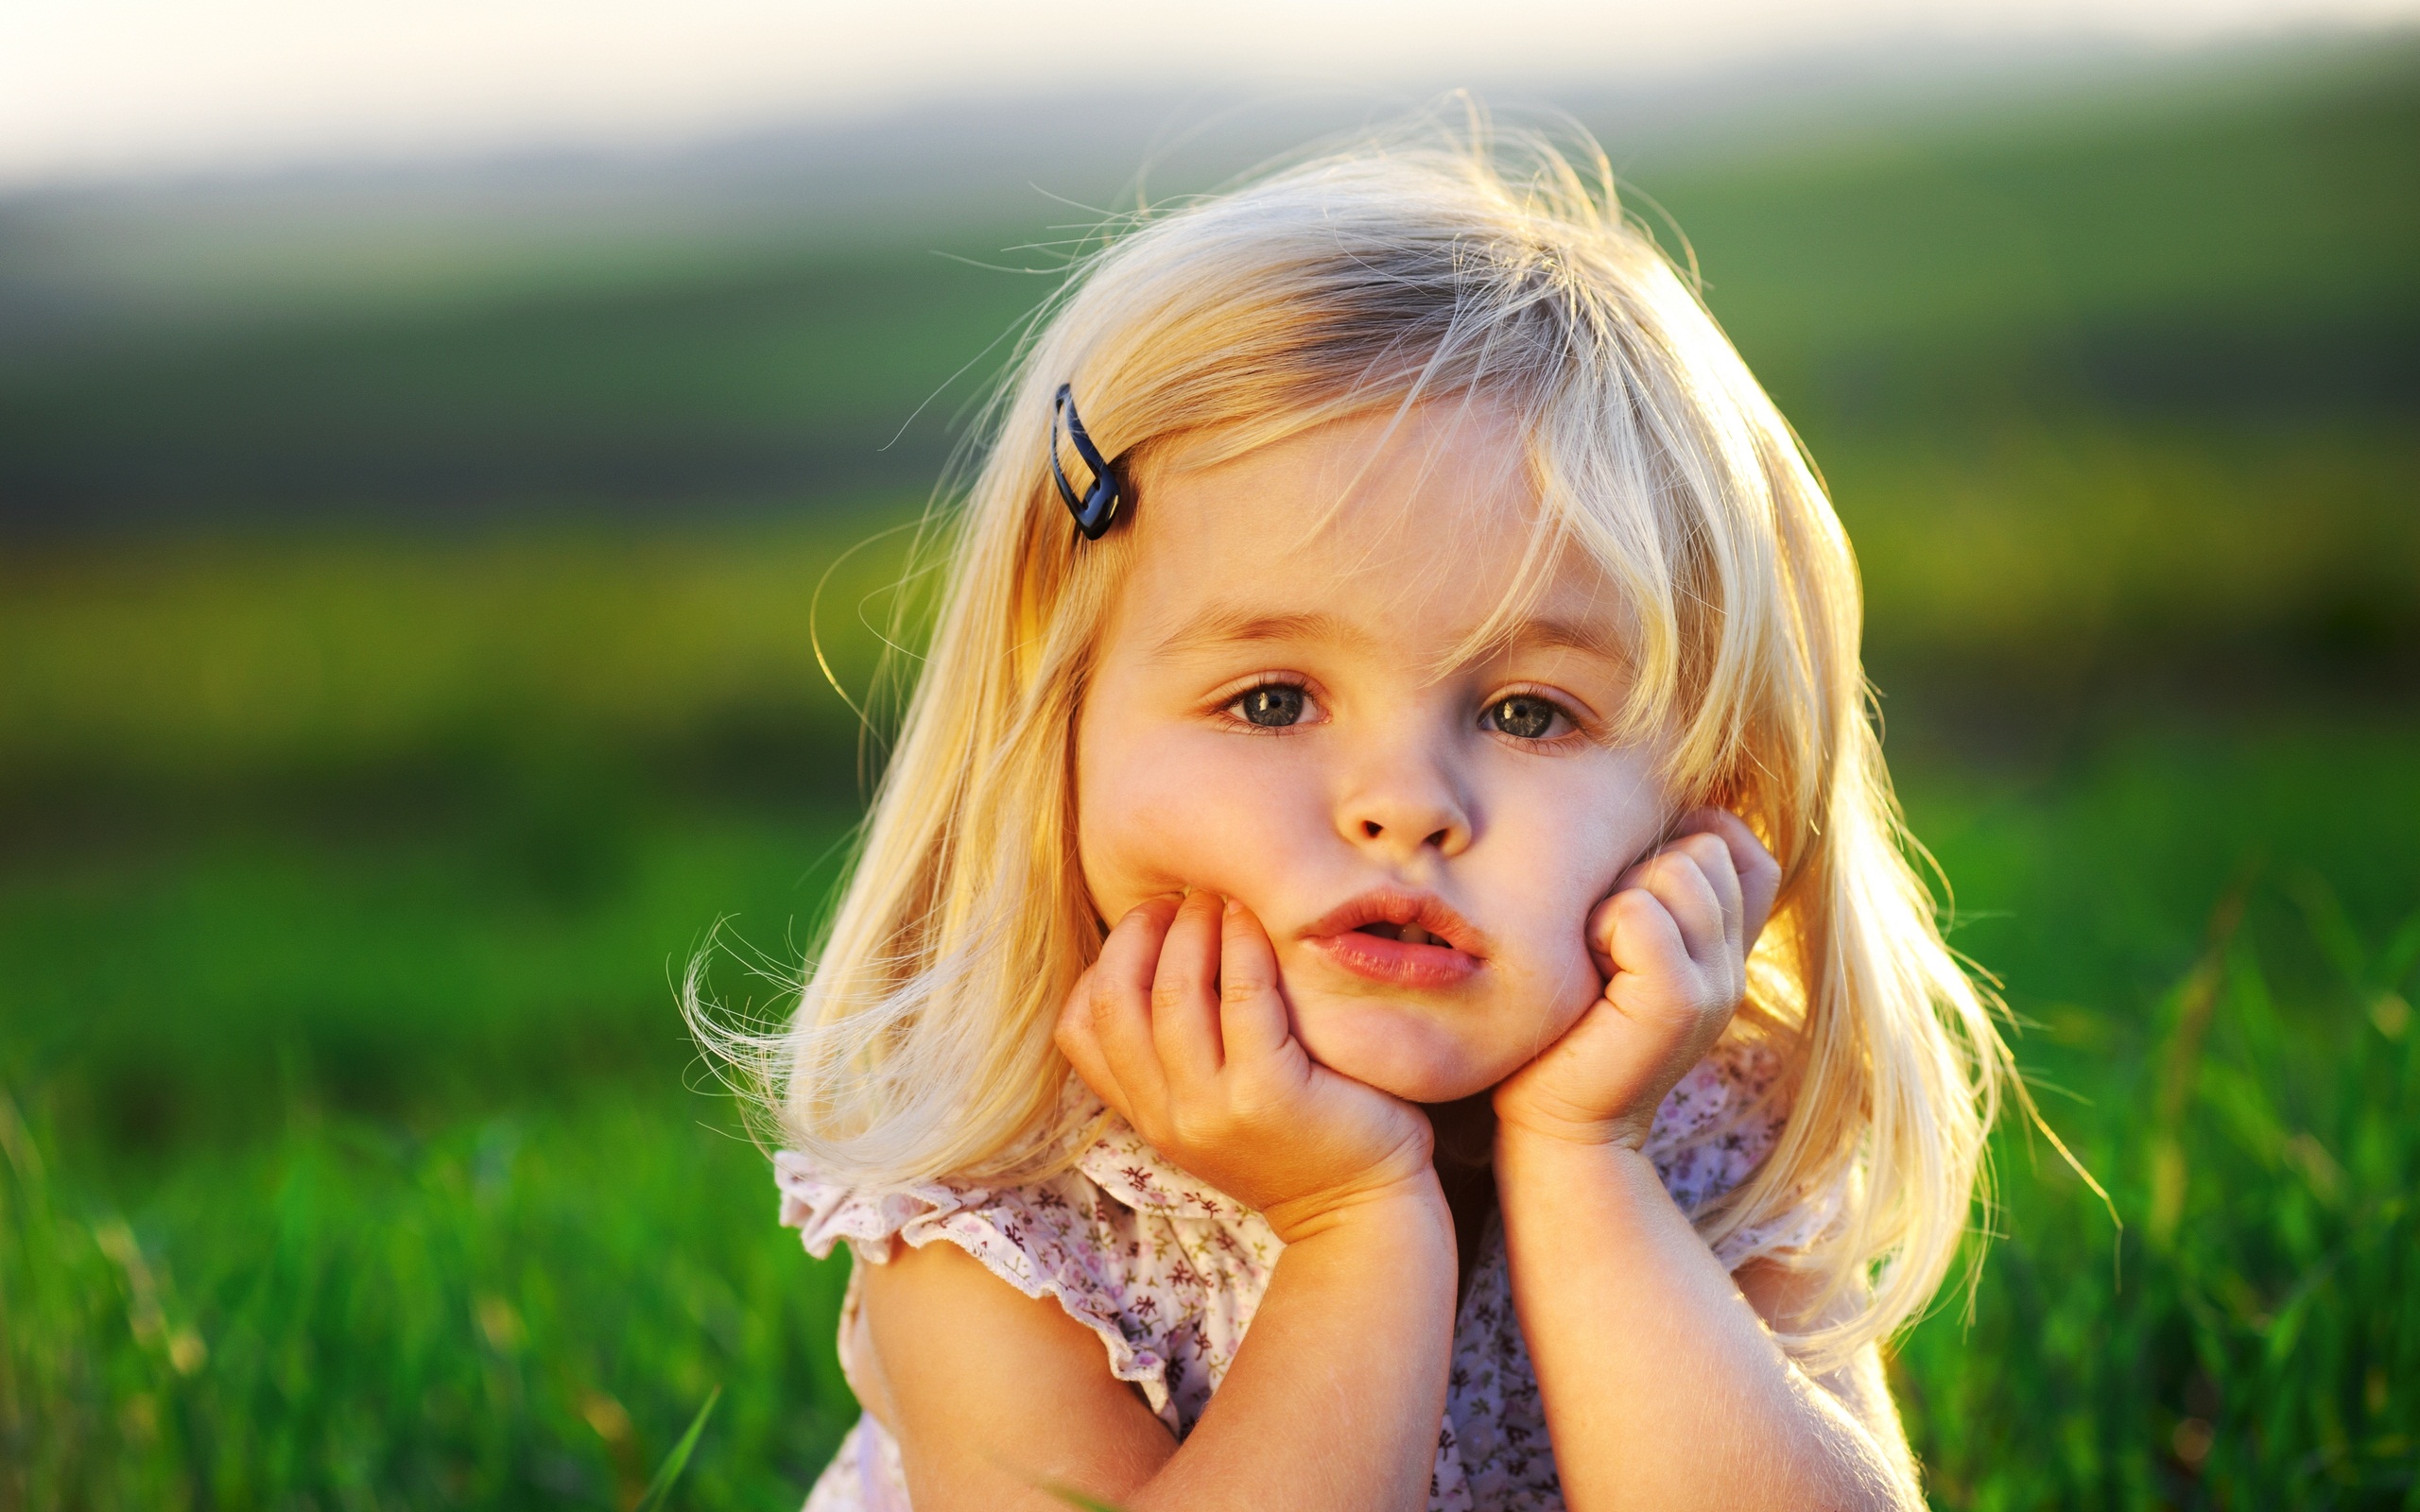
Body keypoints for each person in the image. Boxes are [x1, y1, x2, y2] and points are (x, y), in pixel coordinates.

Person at [701, 116, 2008, 1511]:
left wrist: (1585, 1163)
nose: (1404, 807)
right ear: (1058, 729)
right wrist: (1354, 1227)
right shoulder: (1008, 1215)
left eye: (1527, 714)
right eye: (1271, 700)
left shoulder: (1708, 1126)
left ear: (1710, 804)